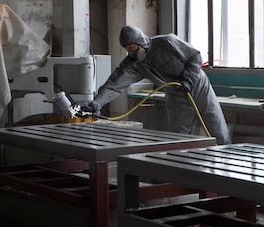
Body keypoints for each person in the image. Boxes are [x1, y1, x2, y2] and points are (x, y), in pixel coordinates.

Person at [82, 25, 231, 145]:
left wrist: (188, 79)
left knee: (215, 124)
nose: (131, 53)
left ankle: (226, 163)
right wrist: (96, 104)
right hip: (175, 94)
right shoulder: (134, 64)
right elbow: (115, 84)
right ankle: (182, 170)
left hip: (197, 85)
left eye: (132, 48)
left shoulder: (167, 42)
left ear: (141, 42)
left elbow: (195, 56)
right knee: (179, 136)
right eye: (127, 50)